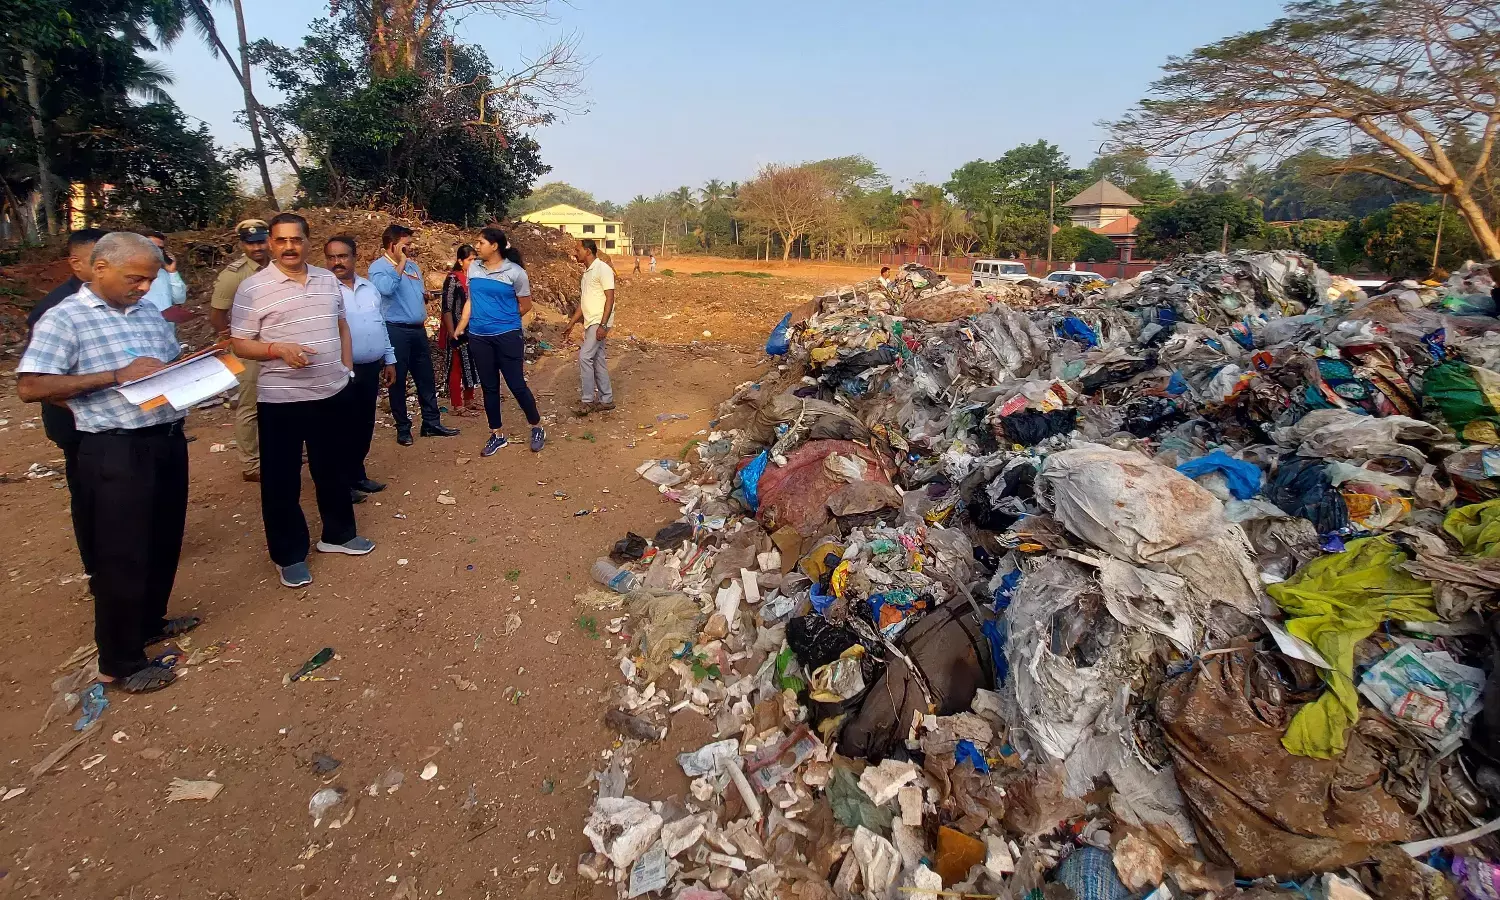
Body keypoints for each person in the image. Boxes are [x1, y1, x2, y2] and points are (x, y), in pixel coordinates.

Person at [18, 232, 201, 693]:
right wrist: (114, 377)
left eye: (150, 279)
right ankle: (119, 661)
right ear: (100, 268)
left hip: (165, 438)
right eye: (135, 278)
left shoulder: (148, 313)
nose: (144, 287)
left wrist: (199, 367)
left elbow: (165, 365)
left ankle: (150, 622)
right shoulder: (65, 318)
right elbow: (32, 386)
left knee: (162, 538)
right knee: (122, 553)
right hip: (114, 449)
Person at [231, 213, 374, 589]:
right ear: (271, 244)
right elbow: (240, 343)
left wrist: (346, 368)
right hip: (282, 399)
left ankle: (338, 535)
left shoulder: (327, 280)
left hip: (331, 391)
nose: (289, 247)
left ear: (308, 242)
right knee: (282, 479)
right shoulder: (252, 288)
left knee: (333, 468)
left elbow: (341, 325)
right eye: (281, 240)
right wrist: (276, 349)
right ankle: (289, 554)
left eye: (296, 239)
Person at [26, 228, 108, 585]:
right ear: (76, 264)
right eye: (100, 261)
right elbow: (38, 383)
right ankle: (98, 571)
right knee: (91, 497)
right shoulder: (56, 310)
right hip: (78, 425)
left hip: (118, 423)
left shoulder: (120, 301)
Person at [454, 226, 545, 457]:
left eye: (481, 242)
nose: (477, 246)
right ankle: (497, 434)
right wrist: (462, 326)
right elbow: (471, 301)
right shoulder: (474, 268)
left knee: (516, 385)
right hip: (479, 337)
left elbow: (526, 305)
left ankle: (536, 427)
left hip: (507, 336)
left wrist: (505, 320)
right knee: (489, 388)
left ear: (494, 246)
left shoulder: (515, 272)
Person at [368, 223, 458, 446]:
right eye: (405, 245)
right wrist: (400, 262)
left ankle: (431, 423)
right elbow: (386, 289)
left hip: (418, 330)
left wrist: (424, 296)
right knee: (397, 380)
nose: (410, 248)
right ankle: (403, 429)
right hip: (395, 330)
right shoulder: (378, 268)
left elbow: (414, 292)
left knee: (425, 377)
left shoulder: (413, 267)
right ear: (392, 245)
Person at [325, 235, 396, 503]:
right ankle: (340, 483)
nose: (337, 262)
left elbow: (380, 324)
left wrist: (389, 358)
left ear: (355, 257)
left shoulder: (369, 288)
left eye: (342, 256)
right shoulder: (324, 292)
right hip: (339, 370)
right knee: (341, 427)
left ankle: (357, 474)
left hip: (370, 367)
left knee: (364, 423)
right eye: (331, 257)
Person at [210, 219, 270, 482]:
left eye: (261, 241)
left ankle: (275, 450)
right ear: (242, 244)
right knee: (250, 406)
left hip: (276, 347)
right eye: (250, 243)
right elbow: (217, 315)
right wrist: (231, 338)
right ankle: (252, 463)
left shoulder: (278, 267)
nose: (257, 248)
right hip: (249, 350)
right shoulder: (234, 275)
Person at [564, 238, 616, 415]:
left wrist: (603, 325)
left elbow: (610, 298)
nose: (575, 253)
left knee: (585, 357)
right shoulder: (587, 273)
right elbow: (583, 302)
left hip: (598, 321)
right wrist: (571, 323)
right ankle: (606, 400)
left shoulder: (603, 269)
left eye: (577, 250)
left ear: (587, 251)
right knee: (597, 359)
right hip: (591, 322)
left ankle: (587, 401)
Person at [440, 245, 479, 417]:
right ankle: (457, 404)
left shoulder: (474, 278)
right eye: (470, 260)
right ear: (460, 261)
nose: (473, 263)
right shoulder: (453, 280)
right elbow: (447, 308)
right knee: (456, 365)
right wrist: (451, 332)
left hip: (473, 329)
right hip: (457, 328)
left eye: (475, 259)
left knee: (471, 364)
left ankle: (469, 399)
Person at [140, 231, 187, 318]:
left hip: (165, 324)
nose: (157, 251)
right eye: (152, 247)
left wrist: (172, 272)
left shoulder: (163, 273)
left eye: (160, 248)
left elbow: (179, 299)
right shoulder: (125, 272)